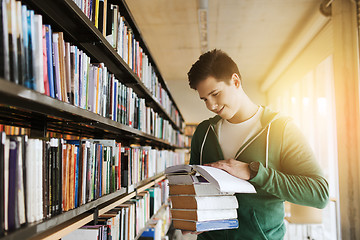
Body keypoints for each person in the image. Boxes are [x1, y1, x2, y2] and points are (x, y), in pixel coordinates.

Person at [186, 49, 329, 240]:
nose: (211, 105)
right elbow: (193, 186)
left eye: (215, 94)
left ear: (235, 81)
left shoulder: (282, 129)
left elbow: (319, 193)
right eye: (205, 99)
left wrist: (253, 172)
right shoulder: (203, 132)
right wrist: (189, 214)